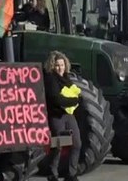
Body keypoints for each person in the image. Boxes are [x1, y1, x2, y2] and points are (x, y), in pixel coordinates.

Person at [44, 51, 82, 181]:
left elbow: (76, 93)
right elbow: (56, 99)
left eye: (62, 65)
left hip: (68, 114)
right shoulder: (50, 78)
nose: (60, 68)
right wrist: (73, 101)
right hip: (56, 115)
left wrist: (77, 99)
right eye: (57, 65)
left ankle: (71, 174)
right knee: (58, 145)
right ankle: (52, 174)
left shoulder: (66, 78)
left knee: (77, 143)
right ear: (52, 66)